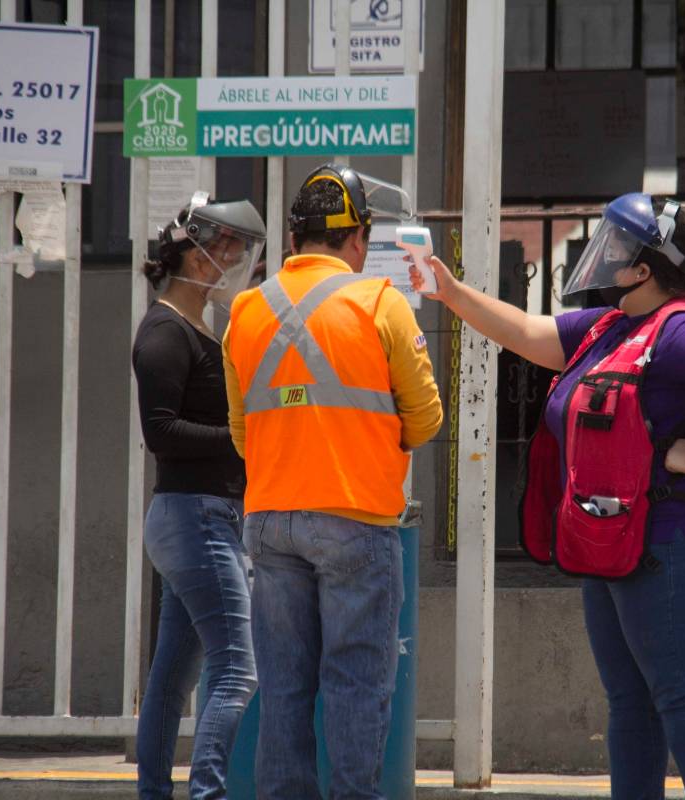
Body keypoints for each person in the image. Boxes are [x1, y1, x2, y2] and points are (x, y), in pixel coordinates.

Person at [412, 193, 685, 800]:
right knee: (630, 701)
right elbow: (523, 331)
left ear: (646, 268)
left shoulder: (677, 328)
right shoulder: (611, 325)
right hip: (610, 540)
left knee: (679, 695)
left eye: (620, 246)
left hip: (666, 545)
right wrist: (451, 291)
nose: (606, 253)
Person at [222, 164, 443, 800]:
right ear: (360, 241)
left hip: (269, 520)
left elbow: (243, 433)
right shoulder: (379, 302)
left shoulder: (245, 310)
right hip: (356, 518)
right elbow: (425, 420)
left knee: (285, 687)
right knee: (354, 682)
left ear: (293, 240)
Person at [132, 193, 266, 800]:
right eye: (221, 251)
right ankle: (207, 792)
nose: (229, 262)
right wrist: (244, 439)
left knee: (173, 676)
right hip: (198, 518)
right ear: (189, 255)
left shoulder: (197, 327)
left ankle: (154, 792)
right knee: (238, 670)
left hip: (196, 517)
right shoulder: (164, 330)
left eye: (235, 252)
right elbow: (159, 432)